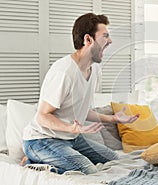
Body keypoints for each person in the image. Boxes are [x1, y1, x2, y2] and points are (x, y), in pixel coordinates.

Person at [22, 13, 139, 174]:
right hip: (42, 140)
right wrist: (71, 128)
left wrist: (113, 118)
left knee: (114, 159)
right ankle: (32, 160)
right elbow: (42, 116)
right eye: (105, 36)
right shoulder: (64, 71)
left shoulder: (95, 70)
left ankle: (41, 158)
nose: (110, 41)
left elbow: (83, 110)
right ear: (88, 40)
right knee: (86, 170)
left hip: (72, 139)